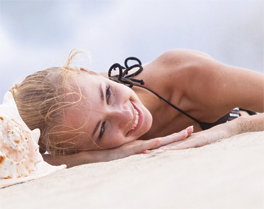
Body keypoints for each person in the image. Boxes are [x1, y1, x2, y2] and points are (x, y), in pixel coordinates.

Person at [10, 49, 264, 167]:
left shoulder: (188, 76)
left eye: (107, 93)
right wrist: (103, 156)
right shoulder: (75, 143)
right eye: (102, 129)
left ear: (89, 72)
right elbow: (34, 161)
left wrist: (235, 127)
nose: (124, 114)